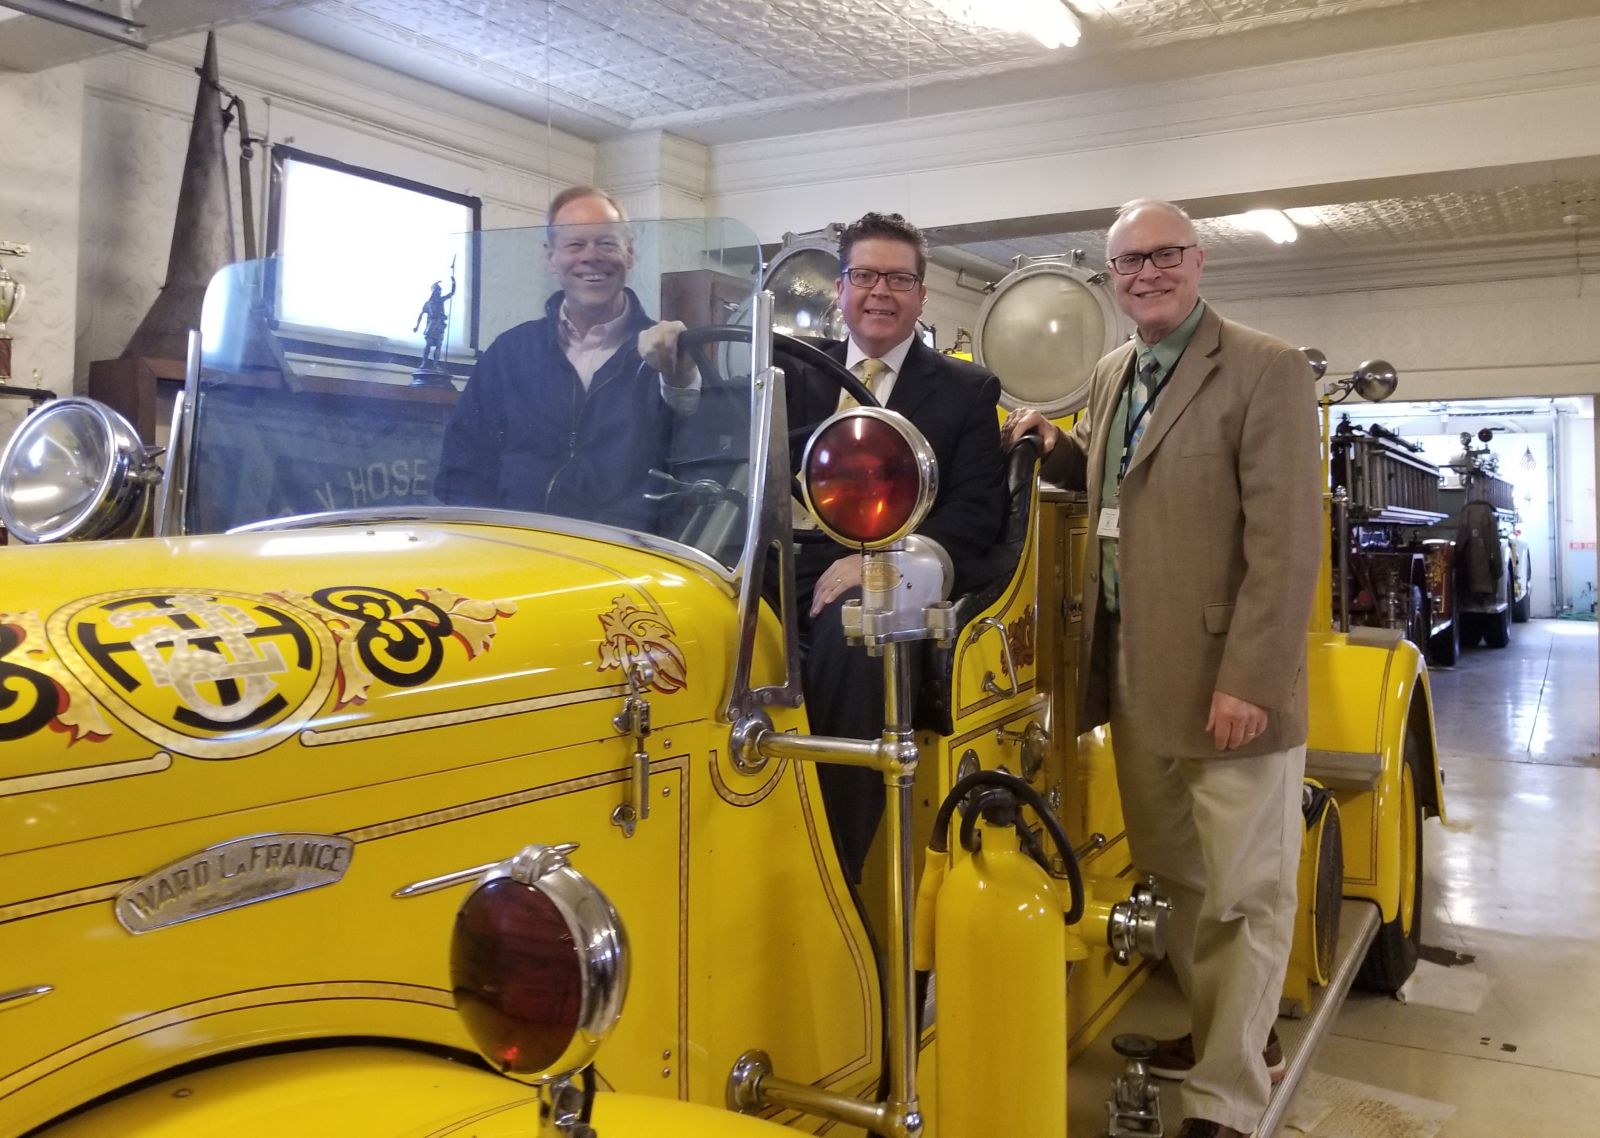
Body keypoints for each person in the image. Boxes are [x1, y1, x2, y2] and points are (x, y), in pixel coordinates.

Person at [1003, 199, 1321, 1138]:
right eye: (1127, 263)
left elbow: (1287, 541)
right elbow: (1121, 488)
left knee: (1244, 892)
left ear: (1198, 259)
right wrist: (1055, 447)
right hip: (1135, 672)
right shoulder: (1113, 373)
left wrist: (1252, 680)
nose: (1146, 274)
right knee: (1180, 879)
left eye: (1163, 255)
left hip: (1227, 680)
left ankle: (1227, 1098)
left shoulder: (1264, 368)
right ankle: (1235, 1033)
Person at [795, 211, 1007, 882]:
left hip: (890, 583)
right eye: (864, 275)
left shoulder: (969, 392)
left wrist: (881, 561)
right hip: (784, 567)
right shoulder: (792, 372)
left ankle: (832, 871)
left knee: (860, 636)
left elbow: (975, 518)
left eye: (899, 278)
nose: (879, 292)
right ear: (840, 288)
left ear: (921, 295)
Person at [436, 186, 696, 529]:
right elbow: (462, 468)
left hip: (626, 558)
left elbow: (693, 468)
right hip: (517, 550)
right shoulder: (509, 353)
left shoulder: (668, 353)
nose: (591, 256)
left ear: (630, 253)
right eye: (575, 244)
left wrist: (682, 379)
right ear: (551, 258)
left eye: (607, 243)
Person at [414, 272, 456, 367]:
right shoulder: (428, 303)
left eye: (440, 291)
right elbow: (421, 314)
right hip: (432, 326)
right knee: (428, 345)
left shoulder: (441, 300)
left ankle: (435, 363)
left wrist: (453, 282)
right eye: (437, 291)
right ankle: (424, 362)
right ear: (434, 292)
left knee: (438, 345)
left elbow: (452, 293)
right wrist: (417, 326)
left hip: (440, 326)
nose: (439, 293)